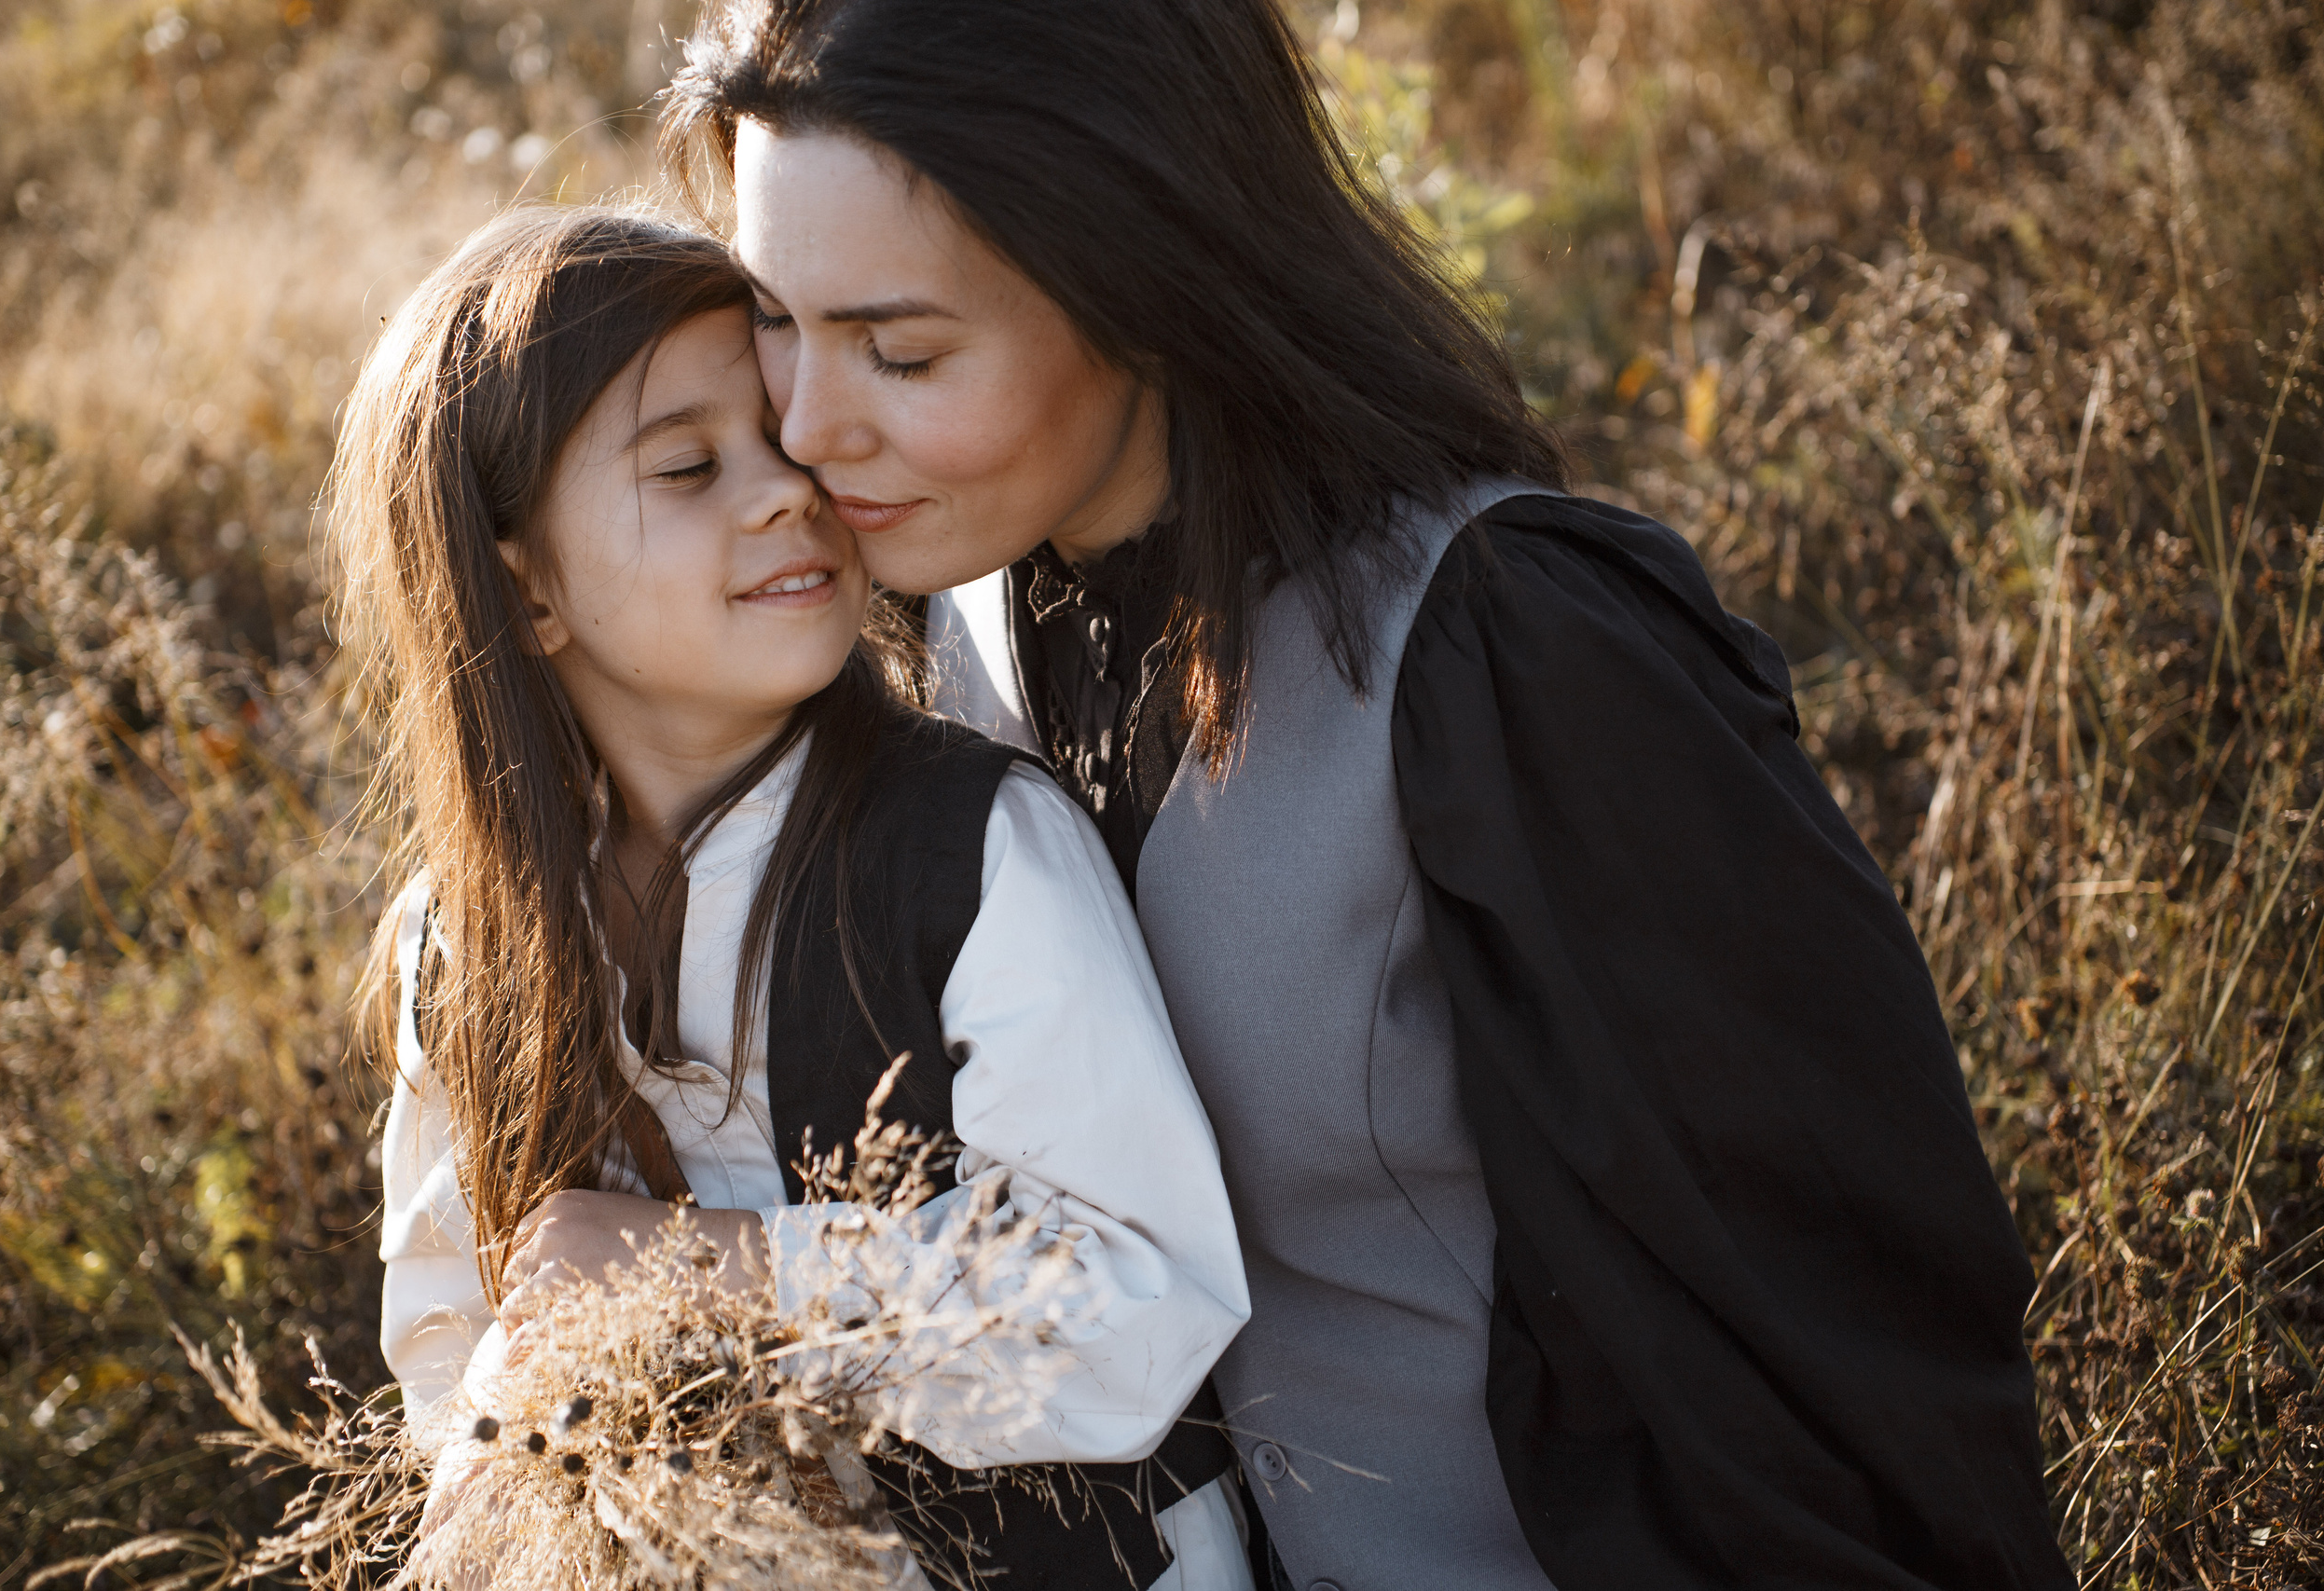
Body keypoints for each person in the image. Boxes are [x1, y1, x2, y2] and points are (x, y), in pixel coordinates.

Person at [662, 4, 2078, 1589]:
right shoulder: (946, 614)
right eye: (773, 319)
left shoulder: (1516, 653)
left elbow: (1830, 1352)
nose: (806, 427)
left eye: (903, 352)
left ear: (1149, 284)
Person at [336, 204, 1255, 1591]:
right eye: (690, 465)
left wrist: (721, 1268)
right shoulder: (466, 941)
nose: (788, 492)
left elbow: (1143, 1295)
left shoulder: (969, 849)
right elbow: (453, 1332)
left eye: (787, 439)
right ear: (525, 592)